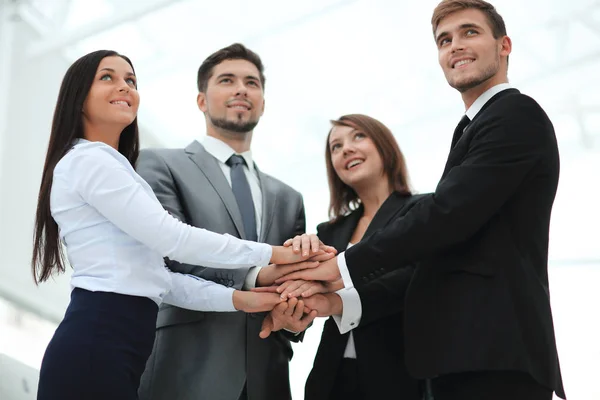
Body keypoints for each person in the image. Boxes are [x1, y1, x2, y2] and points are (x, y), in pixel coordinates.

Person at [276, 1, 566, 399]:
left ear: (504, 45)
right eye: (444, 40)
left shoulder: (515, 114)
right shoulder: (473, 128)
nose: (455, 46)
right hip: (460, 355)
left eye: (469, 32)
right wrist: (323, 297)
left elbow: (447, 215)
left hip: (494, 349)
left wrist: (340, 268)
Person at [31, 50, 321, 400]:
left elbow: (159, 278)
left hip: (117, 345)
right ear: (78, 98)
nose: (124, 86)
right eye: (107, 77)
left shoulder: (111, 165)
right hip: (102, 340)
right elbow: (172, 240)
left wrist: (245, 299)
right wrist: (274, 256)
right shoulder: (92, 161)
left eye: (131, 80)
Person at [136, 43, 318, 400]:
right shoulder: (159, 164)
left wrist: (298, 314)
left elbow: (292, 281)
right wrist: (255, 275)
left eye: (252, 83)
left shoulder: (289, 197)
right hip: (185, 368)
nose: (241, 89)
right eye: (227, 80)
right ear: (202, 100)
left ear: (262, 102)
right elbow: (169, 251)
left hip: (267, 375)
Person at [285, 114, 426, 400]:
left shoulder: (422, 211)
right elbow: (306, 304)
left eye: (358, 136)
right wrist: (297, 264)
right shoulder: (329, 231)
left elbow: (413, 281)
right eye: (335, 147)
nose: (346, 149)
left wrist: (332, 296)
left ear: (385, 146)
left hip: (400, 379)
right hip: (330, 381)